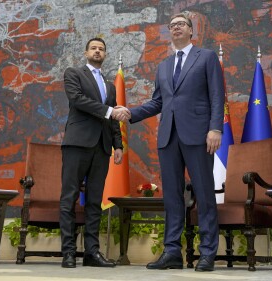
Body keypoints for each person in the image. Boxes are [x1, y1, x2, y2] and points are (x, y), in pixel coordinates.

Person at [127, 13, 224, 271]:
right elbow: (158, 102)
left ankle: (207, 253)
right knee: (171, 197)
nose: (176, 28)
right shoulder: (164, 66)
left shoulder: (207, 57)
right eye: (172, 26)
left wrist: (215, 128)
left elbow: (217, 94)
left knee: (204, 194)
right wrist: (130, 113)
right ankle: (171, 251)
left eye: (181, 24)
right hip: (168, 136)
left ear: (191, 31)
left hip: (199, 134)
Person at [60, 37, 130, 268]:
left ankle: (92, 253)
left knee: (94, 201)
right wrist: (110, 110)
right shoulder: (73, 73)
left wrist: (118, 145)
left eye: (101, 49)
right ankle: (69, 252)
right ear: (86, 52)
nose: (97, 51)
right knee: (69, 197)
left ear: (105, 54)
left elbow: (112, 121)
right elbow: (77, 100)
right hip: (77, 143)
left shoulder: (110, 86)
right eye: (93, 48)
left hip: (102, 148)